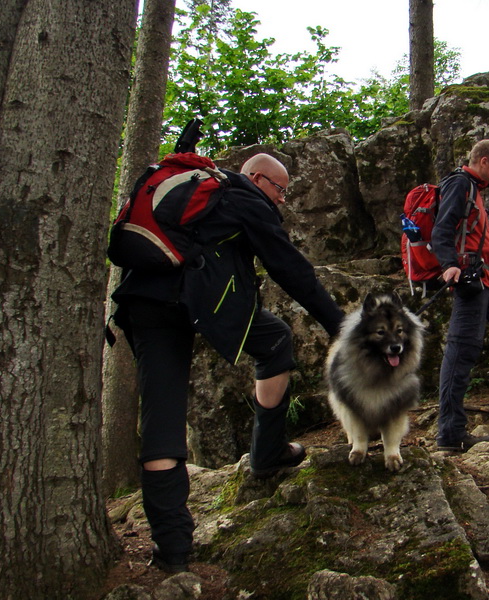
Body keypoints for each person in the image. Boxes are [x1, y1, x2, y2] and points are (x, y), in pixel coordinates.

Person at [111, 153, 344, 573]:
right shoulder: (244, 198)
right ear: (257, 178)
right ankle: (267, 455)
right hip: (192, 300)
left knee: (163, 417)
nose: (283, 200)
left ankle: (173, 551)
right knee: (272, 342)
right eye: (281, 190)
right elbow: (291, 269)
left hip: (141, 301)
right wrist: (339, 326)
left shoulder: (197, 192)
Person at [432, 140, 489, 451]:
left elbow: (483, 243)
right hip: (468, 279)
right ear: (484, 161)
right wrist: (448, 266)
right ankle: (450, 434)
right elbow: (442, 229)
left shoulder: (475, 189)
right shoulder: (460, 184)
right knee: (461, 351)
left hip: (485, 278)